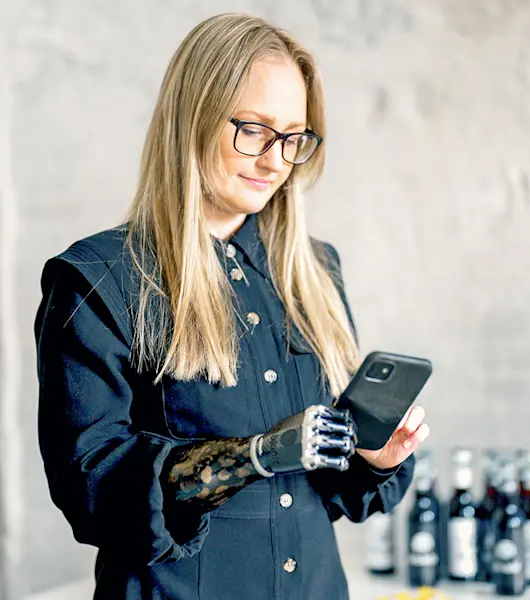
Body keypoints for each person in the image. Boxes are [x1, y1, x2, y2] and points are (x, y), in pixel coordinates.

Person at [33, 13, 429, 600]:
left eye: (293, 138)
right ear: (192, 117)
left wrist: (374, 458)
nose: (274, 161)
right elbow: (89, 486)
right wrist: (254, 457)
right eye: (254, 129)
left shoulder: (316, 271)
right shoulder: (99, 280)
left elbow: (337, 497)